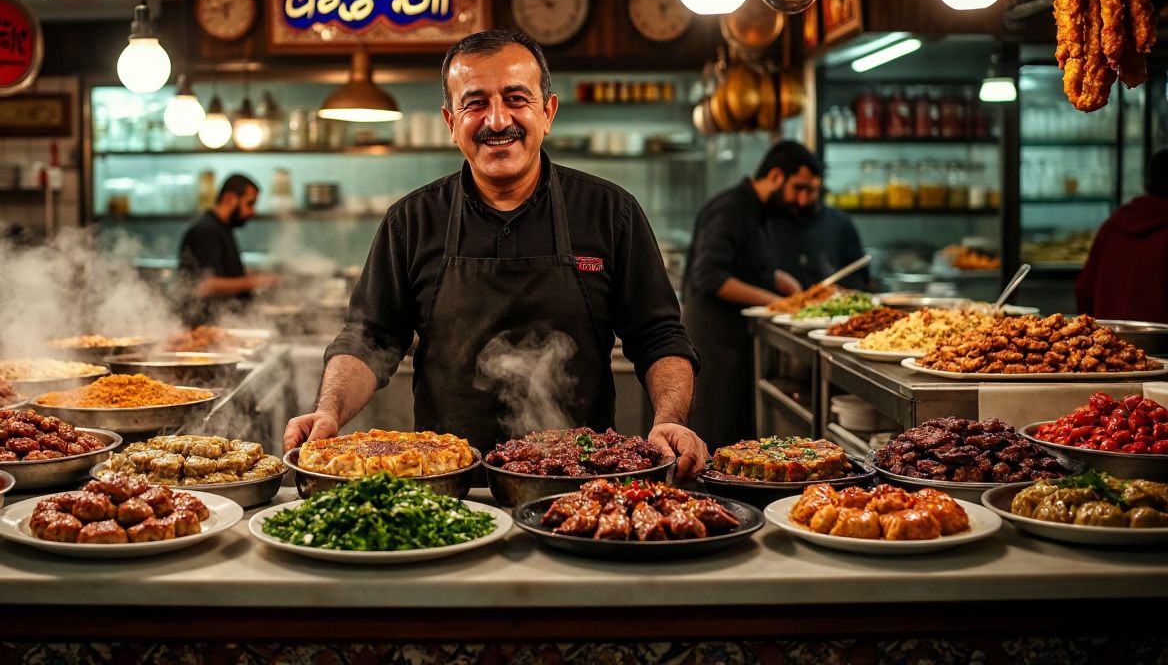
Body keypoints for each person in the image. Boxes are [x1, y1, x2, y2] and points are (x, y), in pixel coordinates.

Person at [282, 30, 707, 479]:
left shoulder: (610, 212)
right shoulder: (410, 221)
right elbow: (368, 340)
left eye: (516, 98)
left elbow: (659, 334)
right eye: (476, 103)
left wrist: (670, 420)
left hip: (581, 483)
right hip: (444, 483)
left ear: (548, 112)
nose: (498, 120)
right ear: (450, 122)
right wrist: (329, 412)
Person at [682, 141, 822, 447]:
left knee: (737, 439)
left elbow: (743, 264)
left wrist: (777, 278)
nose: (801, 199)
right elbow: (709, 276)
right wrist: (777, 303)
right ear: (775, 176)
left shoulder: (757, 212)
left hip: (735, 345)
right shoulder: (730, 209)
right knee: (716, 439)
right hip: (714, 347)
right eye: (798, 187)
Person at [1075, 149, 1168, 323]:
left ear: (1147, 182)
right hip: (1161, 344)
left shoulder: (1114, 224)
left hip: (1108, 340)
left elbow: (1084, 289)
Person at [177, 174, 277, 312]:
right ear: (229, 199)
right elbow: (205, 285)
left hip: (226, 322)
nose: (252, 211)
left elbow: (222, 269)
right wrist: (256, 281)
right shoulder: (206, 230)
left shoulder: (222, 228)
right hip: (207, 325)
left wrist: (251, 272)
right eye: (250, 203)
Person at [769, 179, 869, 290]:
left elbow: (859, 277)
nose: (803, 200)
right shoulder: (769, 222)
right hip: (778, 301)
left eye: (810, 190)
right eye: (797, 188)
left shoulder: (840, 222)